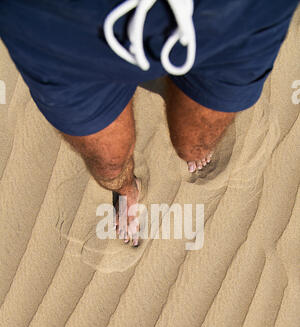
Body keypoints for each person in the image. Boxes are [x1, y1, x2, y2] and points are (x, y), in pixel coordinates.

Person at [0, 0, 298, 246]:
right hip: (61, 25)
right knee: (108, 163)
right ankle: (125, 187)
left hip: (231, 14)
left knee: (195, 142)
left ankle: (183, 100)